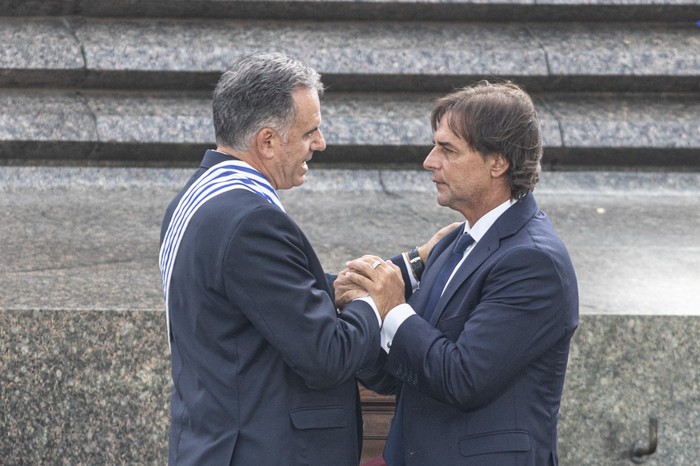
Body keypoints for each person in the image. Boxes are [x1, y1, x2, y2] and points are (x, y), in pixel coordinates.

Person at [158, 52, 450, 465]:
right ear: (267, 141)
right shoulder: (250, 220)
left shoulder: (198, 198)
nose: (320, 143)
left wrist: (409, 264)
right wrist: (377, 302)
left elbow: (287, 296)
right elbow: (327, 356)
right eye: (309, 131)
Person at [337, 81, 579, 465]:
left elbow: (463, 379)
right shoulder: (454, 242)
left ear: (498, 162)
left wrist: (394, 307)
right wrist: (364, 311)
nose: (430, 161)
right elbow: (398, 373)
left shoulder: (533, 262)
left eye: (447, 150)